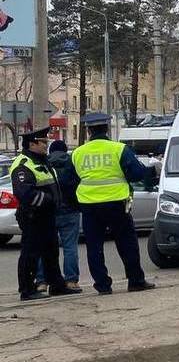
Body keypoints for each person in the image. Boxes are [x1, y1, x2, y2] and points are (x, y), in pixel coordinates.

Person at [72, 113, 155, 295]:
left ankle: (102, 285)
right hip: (117, 203)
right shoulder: (119, 149)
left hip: (89, 205)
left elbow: (69, 180)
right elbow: (136, 174)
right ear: (107, 129)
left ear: (88, 131)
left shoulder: (78, 153)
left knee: (94, 246)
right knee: (127, 243)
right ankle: (135, 281)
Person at [10, 128, 80, 300]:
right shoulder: (23, 164)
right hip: (33, 216)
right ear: (32, 143)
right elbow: (24, 193)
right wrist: (47, 200)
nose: (46, 146)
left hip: (48, 216)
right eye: (43, 143)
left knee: (51, 252)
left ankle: (56, 285)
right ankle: (27, 289)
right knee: (30, 253)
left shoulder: (43, 161)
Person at [35, 140, 82, 290]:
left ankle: (42, 281)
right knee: (70, 247)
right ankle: (71, 281)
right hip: (70, 210)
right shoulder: (72, 164)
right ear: (65, 150)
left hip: (49, 211)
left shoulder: (44, 163)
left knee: (45, 247)